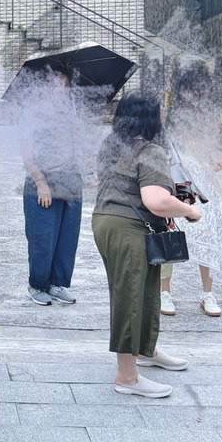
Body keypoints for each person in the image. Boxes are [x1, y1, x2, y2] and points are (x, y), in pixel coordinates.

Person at [91, 93, 203, 398]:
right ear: (150, 117)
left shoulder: (112, 144)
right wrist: (191, 210)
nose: (164, 118)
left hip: (108, 221)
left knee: (145, 289)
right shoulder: (150, 149)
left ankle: (146, 349)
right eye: (160, 113)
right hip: (128, 226)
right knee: (131, 296)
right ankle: (126, 377)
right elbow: (155, 201)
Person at [160, 58, 222, 319]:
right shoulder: (170, 113)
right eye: (192, 87)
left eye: (202, 86)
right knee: (171, 232)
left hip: (205, 182)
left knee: (208, 233)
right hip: (177, 180)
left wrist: (219, 160)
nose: (197, 92)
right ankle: (164, 291)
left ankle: (207, 293)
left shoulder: (212, 112)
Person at [18, 61, 84, 306]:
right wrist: (40, 183)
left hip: (70, 180)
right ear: (45, 87)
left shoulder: (71, 111)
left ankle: (57, 284)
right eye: (57, 85)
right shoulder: (33, 112)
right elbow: (25, 149)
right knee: (42, 237)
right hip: (43, 181)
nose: (62, 90)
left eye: (66, 85)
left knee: (67, 237)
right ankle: (37, 285)